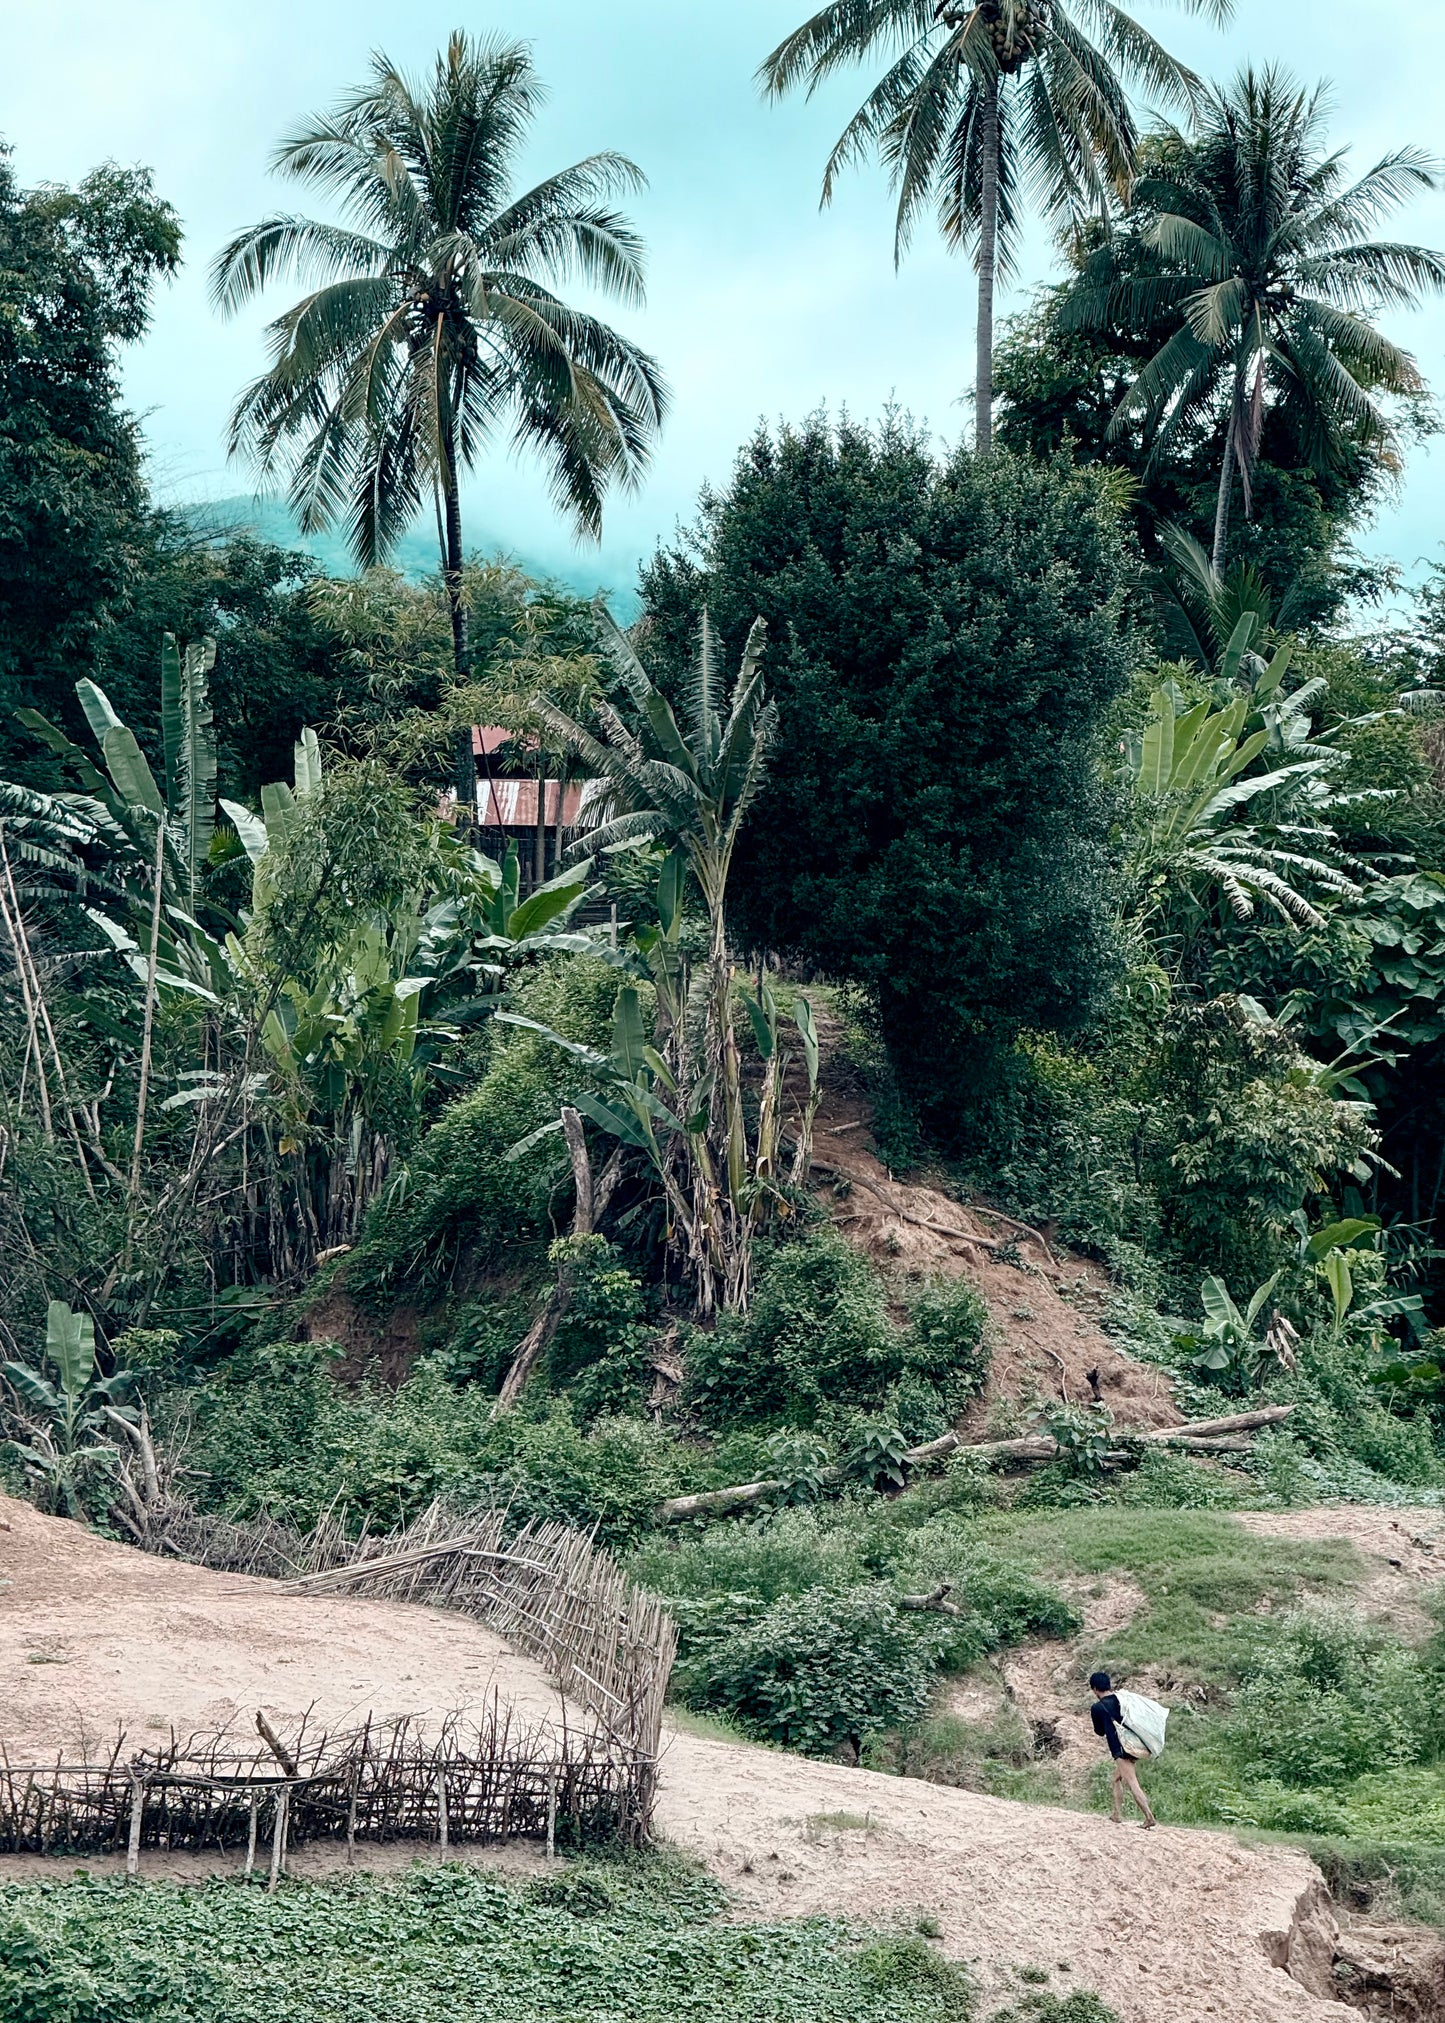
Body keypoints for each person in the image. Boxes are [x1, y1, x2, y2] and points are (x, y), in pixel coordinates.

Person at [1089, 1671, 1157, 1828]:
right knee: (1116, 1778)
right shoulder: (1122, 1699)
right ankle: (1116, 1814)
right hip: (1134, 1745)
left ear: (1095, 1689)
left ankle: (1149, 1817)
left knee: (1132, 1782)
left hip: (1120, 1748)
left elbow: (1099, 1732)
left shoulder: (1097, 1707)